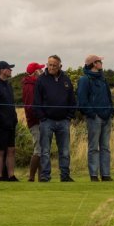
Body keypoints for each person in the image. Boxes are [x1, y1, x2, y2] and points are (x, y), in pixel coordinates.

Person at [33, 55, 76, 183]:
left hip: (63, 121)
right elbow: (36, 102)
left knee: (64, 151)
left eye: (54, 65)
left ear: (60, 66)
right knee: (45, 151)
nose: (51, 67)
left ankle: (65, 175)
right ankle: (45, 176)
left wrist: (69, 116)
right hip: (47, 121)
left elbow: (72, 101)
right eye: (49, 64)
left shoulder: (66, 80)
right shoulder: (41, 80)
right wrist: (42, 117)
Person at [76, 55, 114, 182]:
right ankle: (93, 175)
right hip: (94, 117)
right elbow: (82, 100)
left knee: (105, 147)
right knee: (93, 147)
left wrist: (110, 110)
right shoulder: (84, 79)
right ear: (94, 64)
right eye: (99, 61)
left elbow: (108, 96)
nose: (101, 63)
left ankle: (106, 174)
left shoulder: (103, 78)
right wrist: (92, 114)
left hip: (106, 116)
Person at [0, 61, 18, 181]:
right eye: (8, 68)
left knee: (11, 149)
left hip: (11, 123)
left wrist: (14, 118)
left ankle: (11, 175)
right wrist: (4, 121)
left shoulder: (8, 85)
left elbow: (11, 104)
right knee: (0, 151)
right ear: (1, 70)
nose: (10, 70)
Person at [22, 62, 44, 182]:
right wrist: (40, 116)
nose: (41, 71)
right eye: (39, 70)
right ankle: (31, 177)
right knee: (38, 149)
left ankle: (41, 177)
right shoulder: (30, 86)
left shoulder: (35, 84)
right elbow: (30, 107)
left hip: (39, 120)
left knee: (41, 149)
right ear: (35, 72)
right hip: (35, 121)